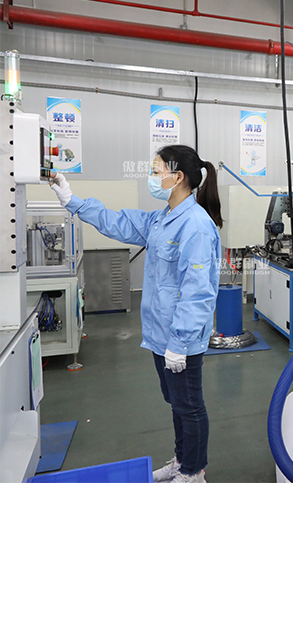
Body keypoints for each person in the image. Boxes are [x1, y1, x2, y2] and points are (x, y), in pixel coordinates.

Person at [49, 145, 223, 483]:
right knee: (177, 403)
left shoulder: (196, 226)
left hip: (180, 340)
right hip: (161, 335)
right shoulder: (162, 219)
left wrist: (181, 342)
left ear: (178, 177)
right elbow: (117, 221)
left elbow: (199, 292)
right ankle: (182, 460)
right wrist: (71, 199)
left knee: (189, 405)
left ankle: (194, 472)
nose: (152, 177)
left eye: (157, 172)